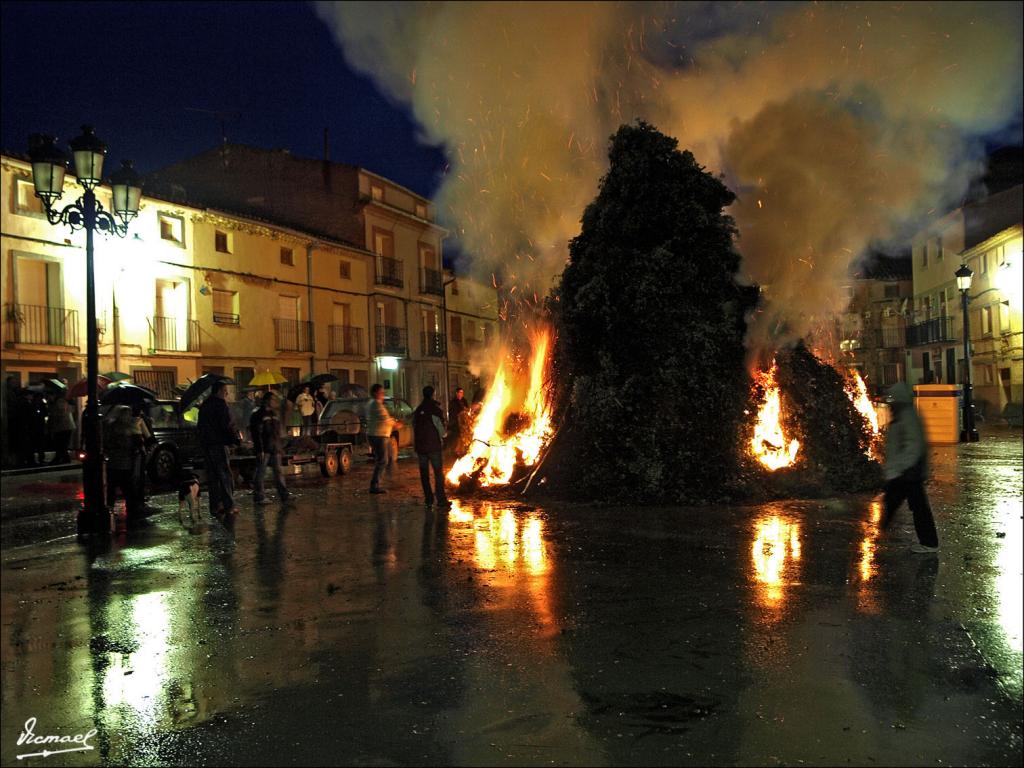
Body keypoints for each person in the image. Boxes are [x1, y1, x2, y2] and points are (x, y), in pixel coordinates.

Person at [880, 382, 939, 553]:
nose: (890, 404)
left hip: (907, 472)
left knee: (915, 506)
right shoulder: (902, 415)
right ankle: (883, 530)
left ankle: (929, 543)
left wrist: (899, 468)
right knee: (897, 501)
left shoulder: (907, 417)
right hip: (904, 471)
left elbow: (914, 446)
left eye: (892, 400)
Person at [198, 381, 241, 515]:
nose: (227, 393)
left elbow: (200, 426)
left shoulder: (205, 405)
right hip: (219, 444)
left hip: (207, 444)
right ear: (219, 391)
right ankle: (229, 505)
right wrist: (234, 440)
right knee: (225, 475)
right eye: (225, 390)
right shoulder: (220, 405)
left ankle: (215, 506)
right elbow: (226, 425)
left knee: (213, 477)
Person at [103, 405, 145, 524]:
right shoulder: (127, 427)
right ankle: (130, 510)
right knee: (126, 487)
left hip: (117, 462)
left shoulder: (113, 426)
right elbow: (136, 445)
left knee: (116, 487)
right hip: (122, 463)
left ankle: (112, 508)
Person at [249, 391, 289, 505]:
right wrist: (260, 449)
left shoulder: (274, 414)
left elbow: (276, 432)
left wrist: (280, 447)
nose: (276, 402)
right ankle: (259, 497)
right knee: (260, 473)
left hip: (274, 448)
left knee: (279, 472)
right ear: (267, 401)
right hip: (265, 449)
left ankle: (284, 495)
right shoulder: (258, 415)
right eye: (273, 399)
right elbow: (257, 433)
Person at [413, 386, 450, 509]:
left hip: (421, 447)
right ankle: (441, 500)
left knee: (424, 474)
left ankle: (428, 499)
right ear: (433, 394)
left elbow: (414, 427)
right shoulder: (434, 410)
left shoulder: (418, 410)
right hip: (433, 447)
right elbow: (441, 430)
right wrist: (445, 435)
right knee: (438, 474)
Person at [366, 383, 398, 494]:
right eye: (381, 393)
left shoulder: (373, 403)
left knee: (385, 459)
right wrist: (395, 423)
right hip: (379, 435)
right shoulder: (376, 404)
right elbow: (385, 419)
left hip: (378, 435)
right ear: (376, 393)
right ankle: (374, 485)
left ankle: (384, 479)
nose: (383, 395)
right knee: (383, 460)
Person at [47, 395, 76, 464]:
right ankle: (63, 458)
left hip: (63, 427)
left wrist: (51, 406)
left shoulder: (60, 402)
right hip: (64, 427)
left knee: (61, 444)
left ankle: (62, 458)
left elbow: (60, 413)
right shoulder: (63, 402)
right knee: (62, 444)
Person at [447, 387, 469, 451]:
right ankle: (456, 450)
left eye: (462, 393)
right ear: (457, 393)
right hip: (456, 424)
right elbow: (452, 413)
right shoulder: (453, 402)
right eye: (460, 392)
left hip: (464, 423)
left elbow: (466, 409)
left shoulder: (464, 401)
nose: (461, 394)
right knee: (457, 438)